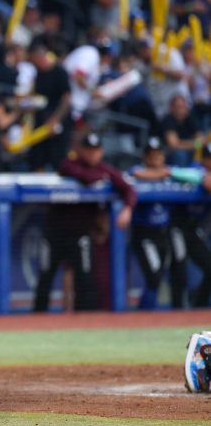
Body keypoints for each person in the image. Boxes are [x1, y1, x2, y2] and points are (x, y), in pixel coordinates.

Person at [34, 133, 136, 312]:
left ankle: (86, 320)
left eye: (96, 150)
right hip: (55, 232)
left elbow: (129, 189)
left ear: (101, 151)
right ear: (81, 150)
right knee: (46, 277)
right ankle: (37, 319)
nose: (92, 154)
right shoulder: (70, 164)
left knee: (86, 279)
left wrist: (127, 209)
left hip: (80, 234)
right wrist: (101, 176)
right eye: (89, 150)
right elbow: (84, 176)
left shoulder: (106, 169)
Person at [128, 138, 174, 309]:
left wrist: (168, 173)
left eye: (158, 155)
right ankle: (145, 312)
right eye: (151, 156)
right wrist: (163, 173)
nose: (155, 160)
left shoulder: (170, 175)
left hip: (162, 233)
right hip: (144, 234)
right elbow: (135, 173)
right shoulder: (137, 173)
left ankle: (148, 310)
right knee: (153, 276)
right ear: (145, 157)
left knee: (159, 276)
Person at [168, 144, 211, 308]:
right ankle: (177, 309)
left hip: (193, 229)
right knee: (179, 266)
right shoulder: (194, 169)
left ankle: (198, 306)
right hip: (177, 225)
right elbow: (206, 182)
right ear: (204, 158)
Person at [27, 39, 72, 171]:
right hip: (41, 120)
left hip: (57, 121)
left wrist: (56, 119)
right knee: (37, 157)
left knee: (58, 158)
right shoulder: (38, 73)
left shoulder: (59, 71)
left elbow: (67, 98)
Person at [162, 94, 205, 167]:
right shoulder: (167, 120)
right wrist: (196, 144)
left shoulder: (190, 119)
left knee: (204, 152)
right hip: (168, 154)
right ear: (171, 108)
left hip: (189, 151)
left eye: (182, 107)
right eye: (177, 107)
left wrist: (197, 144)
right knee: (180, 154)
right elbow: (174, 145)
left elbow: (201, 140)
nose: (180, 110)